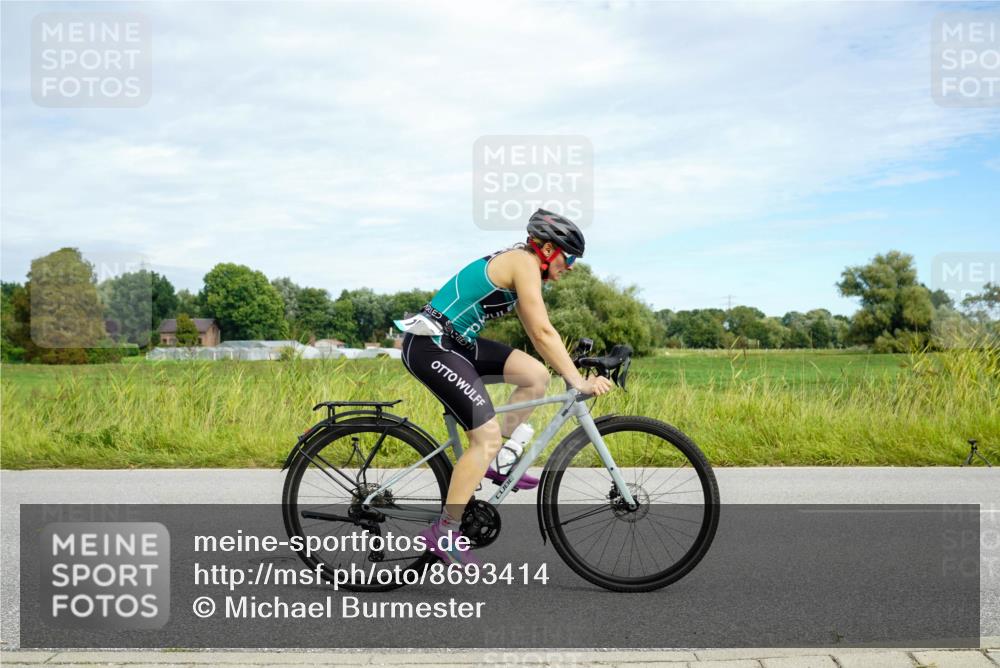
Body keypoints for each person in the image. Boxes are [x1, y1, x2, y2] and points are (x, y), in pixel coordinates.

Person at [395, 209, 613, 568]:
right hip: (430, 345)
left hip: (456, 343)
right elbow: (542, 332)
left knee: (534, 375)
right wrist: (576, 380)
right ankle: (445, 529)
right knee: (486, 436)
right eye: (569, 257)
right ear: (546, 249)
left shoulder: (524, 267)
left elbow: (539, 333)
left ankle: (496, 460)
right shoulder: (523, 262)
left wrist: (567, 371)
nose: (571, 265)